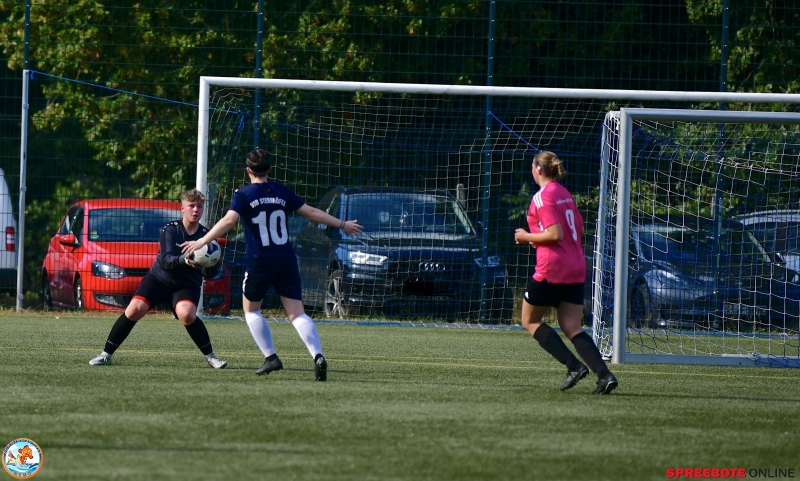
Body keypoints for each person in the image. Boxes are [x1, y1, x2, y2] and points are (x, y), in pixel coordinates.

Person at [181, 148, 363, 381]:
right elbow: (312, 212)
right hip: (286, 259)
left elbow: (229, 220)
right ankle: (317, 355)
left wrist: (202, 241)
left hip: (260, 262)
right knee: (297, 313)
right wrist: (342, 224)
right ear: (269, 169)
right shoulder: (281, 191)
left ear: (248, 170)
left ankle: (271, 357)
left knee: (251, 309)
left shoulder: (243, 194)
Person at [514, 151, 618, 394]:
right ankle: (604, 375)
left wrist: (527, 236)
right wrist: (540, 239)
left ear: (538, 169)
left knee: (529, 320)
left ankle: (573, 366)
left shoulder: (542, 197)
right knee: (572, 325)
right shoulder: (565, 194)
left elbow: (555, 234)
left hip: (553, 267)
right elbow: (576, 230)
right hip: (576, 265)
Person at [89, 189, 228, 369]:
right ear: (182, 208)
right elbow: (166, 261)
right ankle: (106, 354)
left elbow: (210, 274)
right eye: (191, 206)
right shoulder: (170, 230)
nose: (195, 210)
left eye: (199, 206)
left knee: (187, 315)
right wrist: (186, 260)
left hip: (186, 285)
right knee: (134, 309)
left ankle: (211, 357)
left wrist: (211, 264)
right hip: (159, 279)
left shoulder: (207, 237)